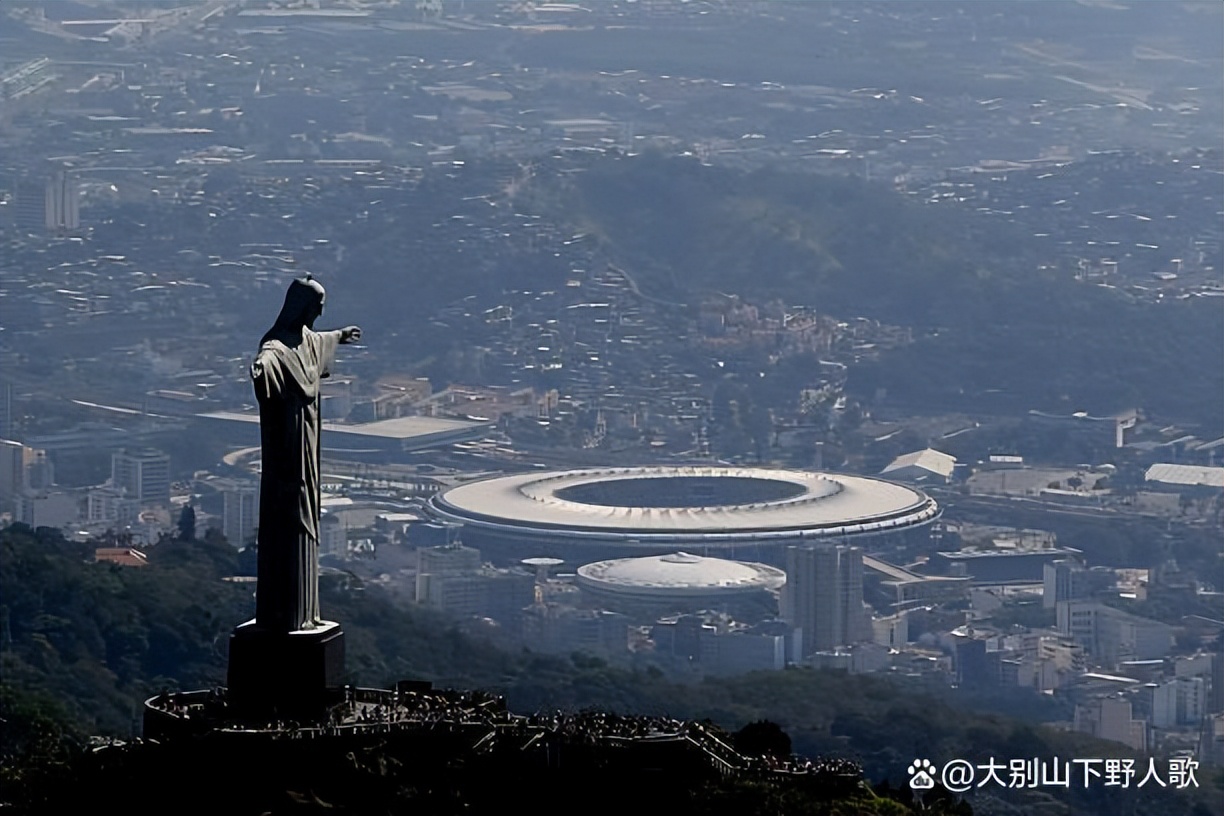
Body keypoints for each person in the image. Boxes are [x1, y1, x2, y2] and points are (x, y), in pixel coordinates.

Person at [251, 277, 361, 632]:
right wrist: (261, 369)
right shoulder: (277, 347)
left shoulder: (309, 341)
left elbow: (320, 340)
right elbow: (267, 359)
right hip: (287, 445)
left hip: (309, 439)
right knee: (289, 513)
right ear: (300, 307)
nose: (319, 313)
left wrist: (340, 335)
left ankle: (305, 612)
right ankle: (287, 614)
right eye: (316, 307)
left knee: (308, 510)